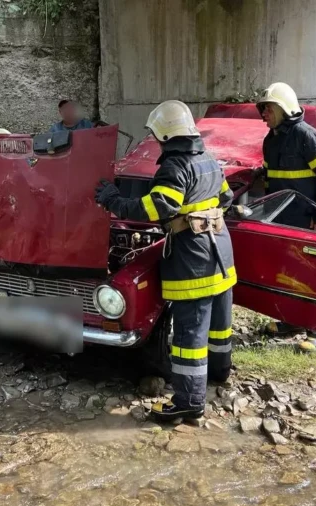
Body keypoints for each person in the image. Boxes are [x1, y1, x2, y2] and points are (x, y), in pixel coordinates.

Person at [94, 100, 236, 421]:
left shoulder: (175, 167)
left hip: (193, 260)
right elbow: (225, 197)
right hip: (220, 254)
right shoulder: (210, 161)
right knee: (218, 324)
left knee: (190, 335)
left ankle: (188, 401)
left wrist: (113, 200)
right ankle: (219, 372)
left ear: (165, 136)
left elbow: (158, 209)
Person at [256, 82, 316, 352]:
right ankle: (290, 321)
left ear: (284, 108)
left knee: (313, 275)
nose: (264, 115)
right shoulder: (271, 139)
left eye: (268, 109)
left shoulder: (308, 137)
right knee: (286, 272)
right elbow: (271, 176)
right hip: (284, 219)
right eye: (263, 110)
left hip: (309, 220)